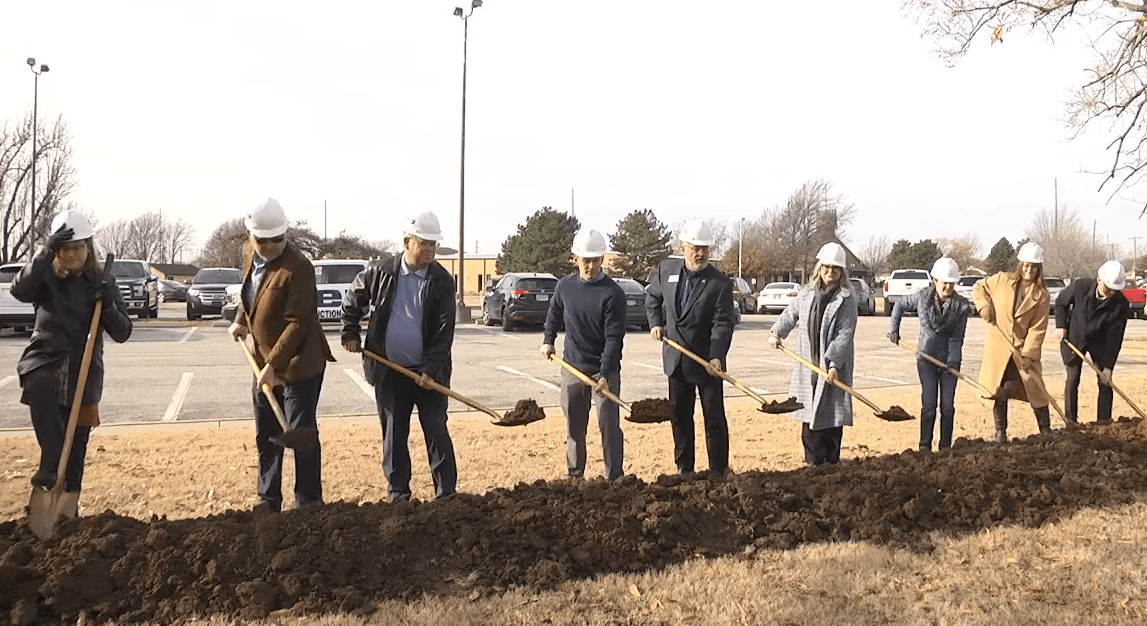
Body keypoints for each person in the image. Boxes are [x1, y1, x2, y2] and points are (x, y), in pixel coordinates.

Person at [12, 210, 132, 505]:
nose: (71, 254)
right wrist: (44, 252)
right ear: (57, 250)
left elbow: (123, 332)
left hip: (84, 369)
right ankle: (49, 464)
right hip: (45, 358)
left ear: (88, 248)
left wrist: (108, 307)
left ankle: (67, 512)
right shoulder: (45, 278)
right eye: (64, 248)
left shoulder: (102, 281)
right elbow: (19, 290)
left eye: (77, 248)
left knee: (76, 448)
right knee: (39, 386)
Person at [341, 210, 458, 502]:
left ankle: (446, 495)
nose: (431, 250)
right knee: (394, 435)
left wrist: (430, 369)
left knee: (436, 429)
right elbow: (352, 298)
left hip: (429, 374)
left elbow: (444, 332)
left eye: (434, 244)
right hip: (389, 372)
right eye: (425, 244)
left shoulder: (442, 281)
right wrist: (350, 333)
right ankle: (398, 495)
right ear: (407, 242)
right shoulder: (381, 271)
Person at [228, 198, 334, 513]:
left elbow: (298, 322)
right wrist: (240, 320)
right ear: (251, 237)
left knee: (300, 434)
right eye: (264, 240)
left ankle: (308, 501)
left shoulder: (299, 267)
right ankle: (268, 499)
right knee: (267, 434)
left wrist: (274, 365)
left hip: (300, 363)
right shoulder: (250, 254)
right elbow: (253, 294)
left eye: (278, 239)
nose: (272, 245)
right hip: (262, 360)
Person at [645, 219, 735, 476]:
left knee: (714, 419)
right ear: (682, 247)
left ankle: (718, 469)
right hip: (676, 360)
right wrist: (656, 323)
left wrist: (717, 356)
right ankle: (685, 468)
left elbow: (723, 323)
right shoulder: (666, 270)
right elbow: (652, 297)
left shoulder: (719, 284)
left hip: (707, 363)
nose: (700, 253)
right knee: (680, 418)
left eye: (705, 248)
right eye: (695, 247)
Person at [540, 228, 628, 480]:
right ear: (575, 258)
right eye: (585, 260)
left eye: (595, 260)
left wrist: (605, 373)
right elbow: (554, 314)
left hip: (605, 370)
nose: (589, 266)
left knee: (609, 426)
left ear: (602, 260)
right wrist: (548, 340)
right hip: (572, 367)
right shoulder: (565, 286)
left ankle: (615, 477)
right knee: (574, 426)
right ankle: (574, 475)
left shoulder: (613, 294)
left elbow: (614, 338)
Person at [767, 242, 857, 466]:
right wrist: (777, 333)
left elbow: (845, 335)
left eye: (835, 268)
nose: (830, 272)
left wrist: (834, 363)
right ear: (819, 268)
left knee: (831, 417)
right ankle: (812, 464)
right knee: (809, 417)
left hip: (833, 367)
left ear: (842, 272)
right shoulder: (806, 294)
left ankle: (831, 463)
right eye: (826, 267)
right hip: (809, 365)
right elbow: (790, 314)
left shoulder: (846, 298)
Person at [888, 257, 972, 452]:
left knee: (947, 406)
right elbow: (899, 306)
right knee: (929, 404)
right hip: (926, 359)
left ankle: (945, 447)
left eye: (952, 284)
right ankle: (924, 446)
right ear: (935, 281)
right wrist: (894, 330)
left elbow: (957, 338)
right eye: (945, 283)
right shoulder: (922, 298)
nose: (948, 287)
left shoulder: (962, 306)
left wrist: (952, 361)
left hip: (950, 362)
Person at [973, 241, 1052, 441]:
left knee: (1036, 389)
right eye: (1026, 265)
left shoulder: (1041, 295)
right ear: (1020, 264)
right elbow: (979, 287)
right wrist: (984, 307)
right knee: (999, 390)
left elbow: (1038, 327)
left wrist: (1029, 354)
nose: (1029, 270)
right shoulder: (1001, 280)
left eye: (1033, 267)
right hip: (998, 347)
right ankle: (1000, 432)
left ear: (1039, 269)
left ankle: (1045, 431)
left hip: (1021, 350)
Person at [1053, 260, 1130, 424]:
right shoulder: (1080, 286)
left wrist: (1108, 366)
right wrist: (1061, 326)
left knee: (1105, 383)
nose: (1110, 293)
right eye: (1108, 289)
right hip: (1074, 338)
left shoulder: (1121, 304)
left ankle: (1104, 423)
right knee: (1073, 379)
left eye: (1114, 291)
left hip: (1101, 344)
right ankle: (1071, 421)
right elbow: (1060, 304)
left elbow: (1115, 336)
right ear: (1099, 279)